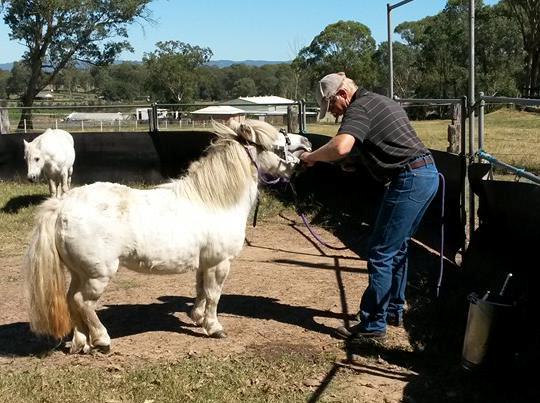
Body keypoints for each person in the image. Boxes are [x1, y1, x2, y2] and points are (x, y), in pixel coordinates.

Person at [300, 72, 439, 342]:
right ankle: (392, 311)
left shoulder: (358, 107)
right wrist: (359, 161)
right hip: (425, 174)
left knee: (380, 252)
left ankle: (373, 324)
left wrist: (311, 157)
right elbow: (386, 143)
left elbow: (340, 147)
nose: (335, 115)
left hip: (408, 178)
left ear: (342, 95)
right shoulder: (378, 101)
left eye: (332, 107)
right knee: (396, 249)